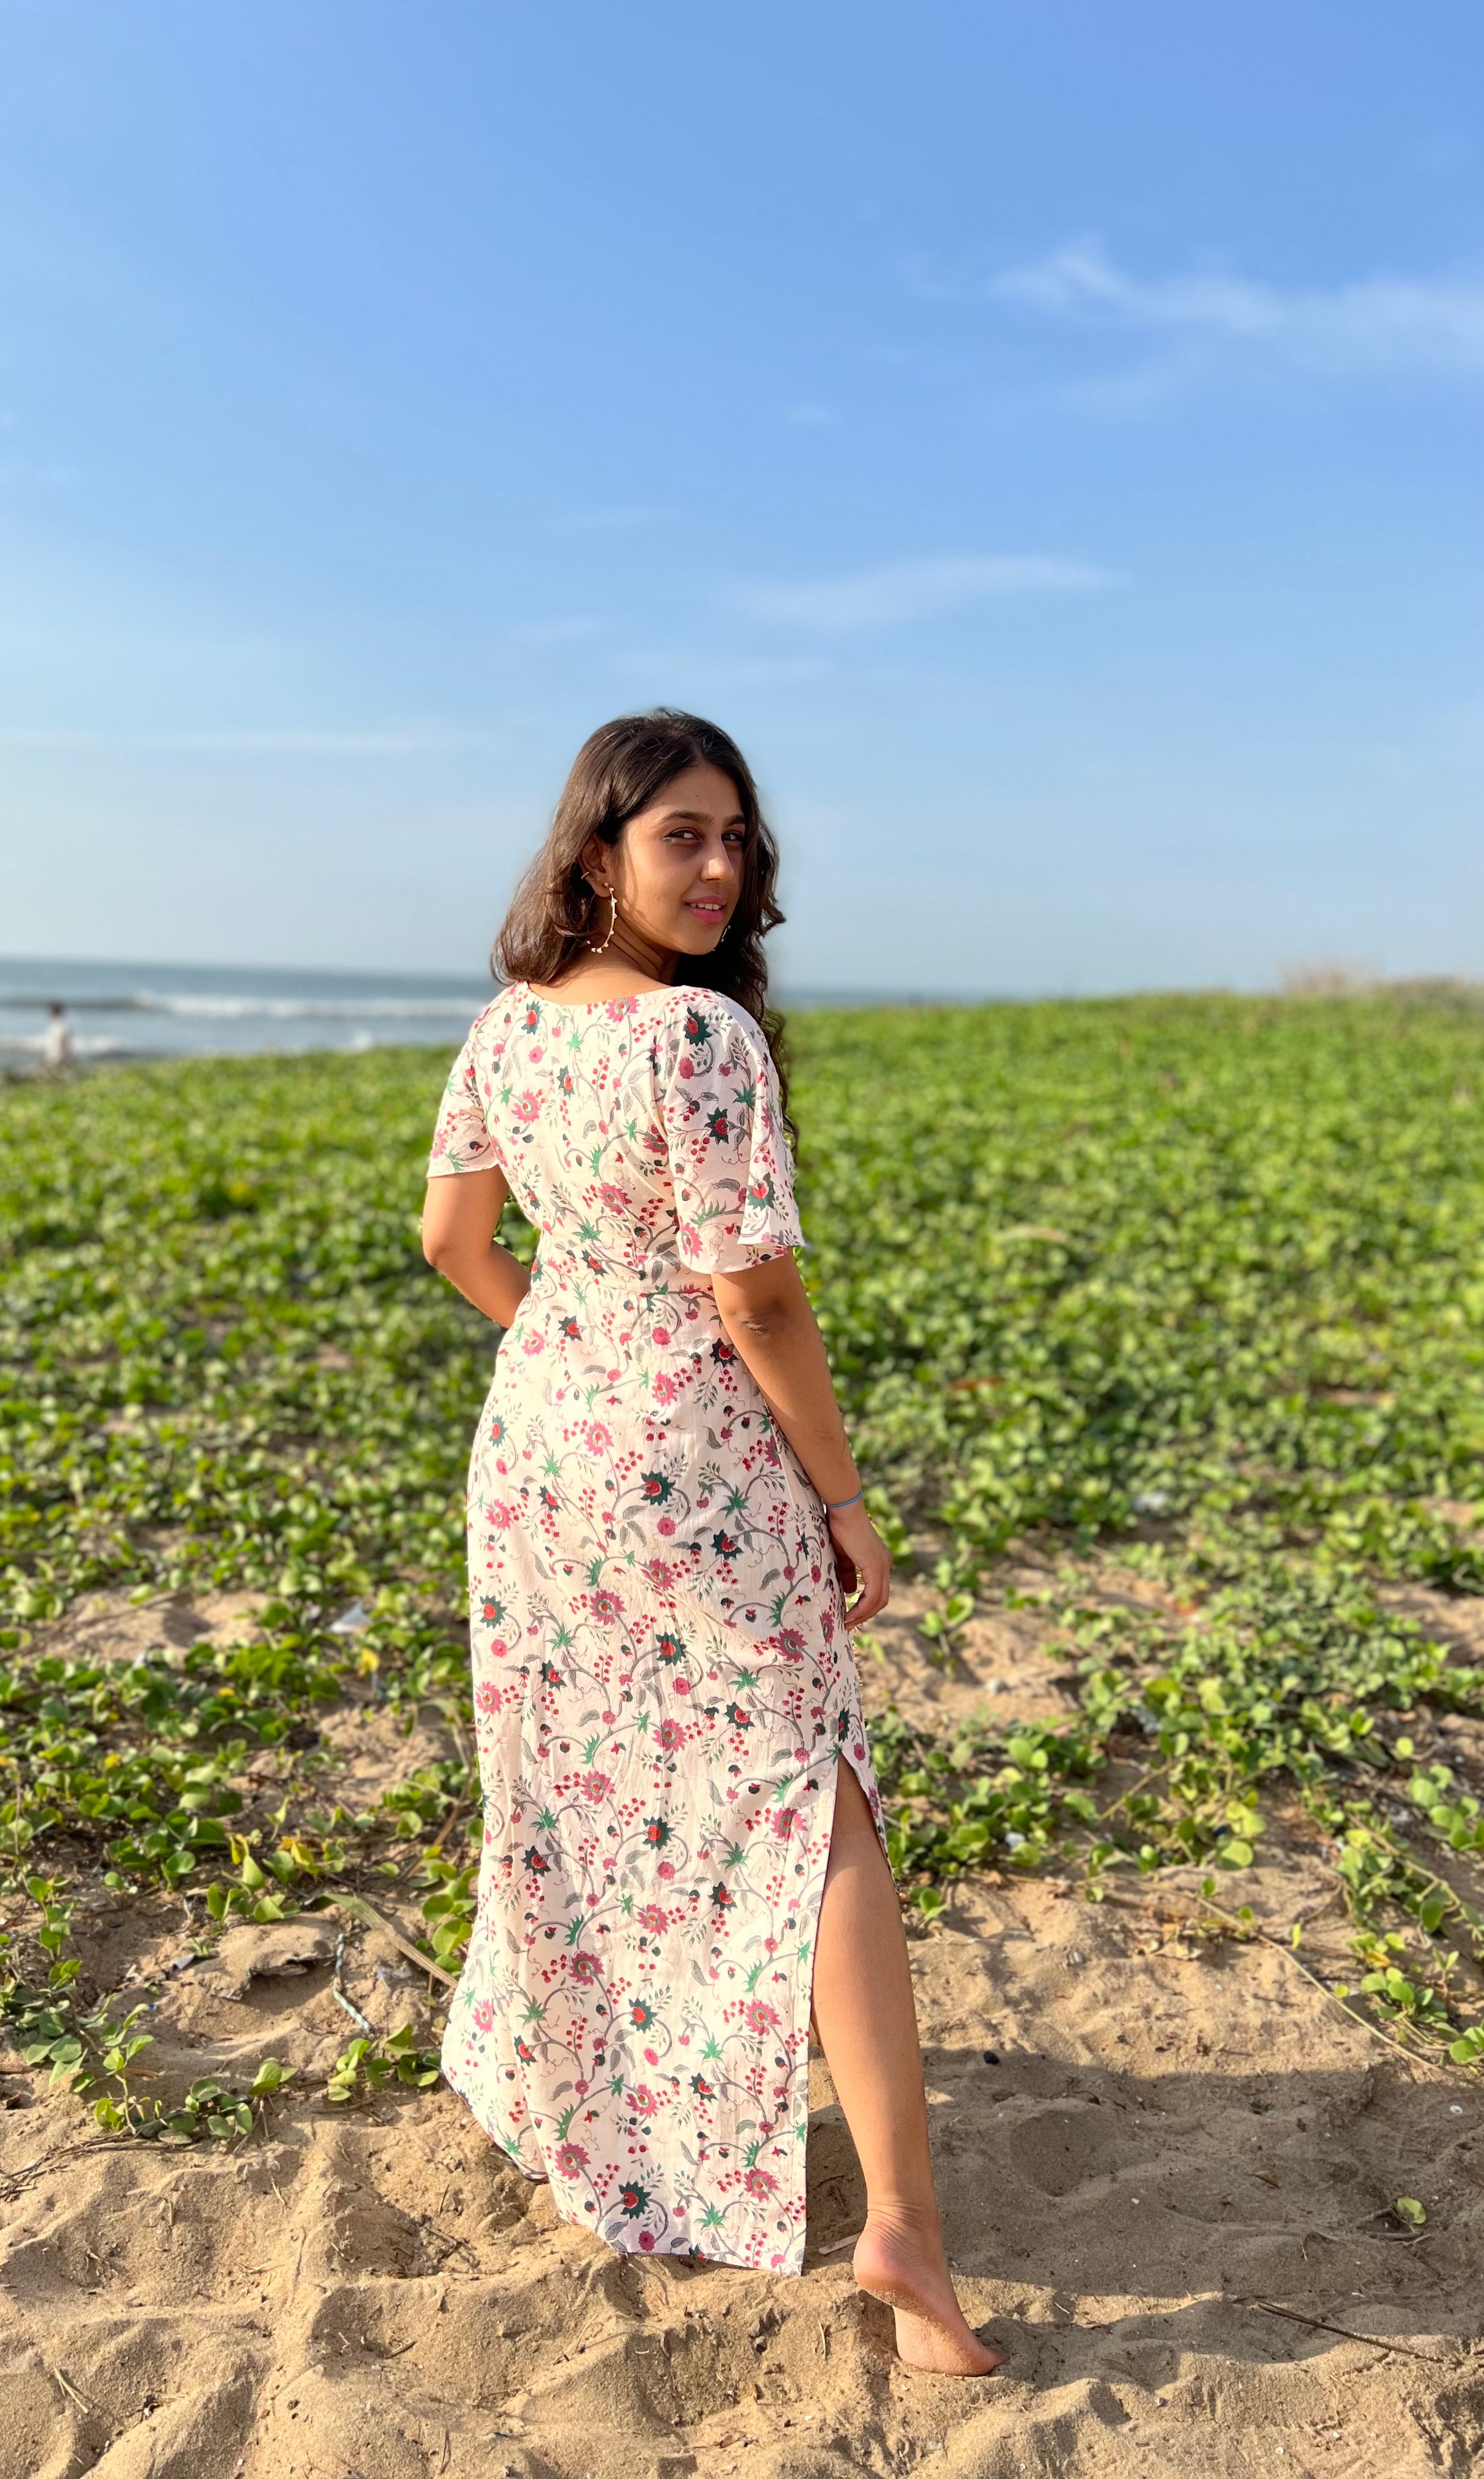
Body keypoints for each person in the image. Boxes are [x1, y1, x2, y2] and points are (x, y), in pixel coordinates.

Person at [420, 710, 1003, 2375]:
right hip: (693, 1450)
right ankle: (902, 2223)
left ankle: (600, 2133)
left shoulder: (506, 1031)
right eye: (684, 834)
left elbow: (454, 1241)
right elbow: (755, 1297)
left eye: (738, 840)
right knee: (810, 1798)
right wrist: (839, 1494)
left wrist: (574, 1345)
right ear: (595, 850)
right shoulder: (697, 1043)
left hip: (541, 1446)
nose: (723, 868)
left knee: (584, 1778)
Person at [40, 1000, 76, 1073]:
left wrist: (60, 1059)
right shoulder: (59, 1024)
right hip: (56, 1057)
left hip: (58, 1058)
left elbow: (61, 1044)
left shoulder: (60, 1025)